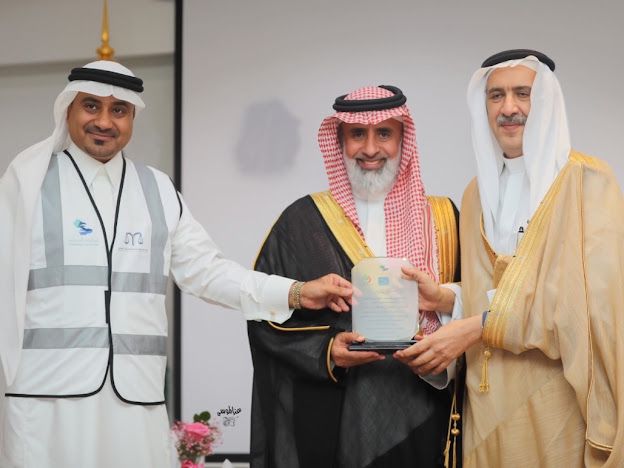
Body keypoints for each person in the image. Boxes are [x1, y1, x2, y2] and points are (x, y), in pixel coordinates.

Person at [0, 60, 354, 468]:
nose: (104, 121)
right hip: (47, 401)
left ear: (132, 117)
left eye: (119, 110)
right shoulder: (28, 183)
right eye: (91, 106)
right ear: (68, 110)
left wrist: (295, 292)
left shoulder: (157, 189)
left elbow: (208, 272)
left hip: (134, 401)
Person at [395, 49, 624, 466]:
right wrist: (447, 299)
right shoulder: (475, 194)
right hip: (485, 407)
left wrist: (478, 327)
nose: (509, 108)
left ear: (547, 101)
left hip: (557, 402)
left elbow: (591, 308)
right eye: (496, 96)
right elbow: (496, 288)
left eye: (523, 93)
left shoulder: (586, 182)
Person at [247, 85, 461, 468]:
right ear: (340, 141)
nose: (370, 149)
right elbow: (263, 313)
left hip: (428, 413)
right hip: (338, 422)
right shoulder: (302, 221)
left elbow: (480, 308)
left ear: (403, 138)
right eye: (357, 134)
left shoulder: (443, 219)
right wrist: (326, 350)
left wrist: (440, 316)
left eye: (384, 133)